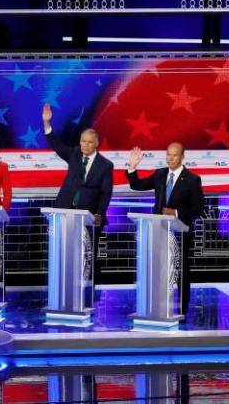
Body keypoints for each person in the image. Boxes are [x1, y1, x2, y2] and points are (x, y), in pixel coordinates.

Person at [126, 143, 204, 315]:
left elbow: (199, 209)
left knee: (181, 272)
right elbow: (137, 185)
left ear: (183, 157)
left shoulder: (192, 179)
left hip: (180, 234)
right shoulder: (160, 174)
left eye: (174, 155)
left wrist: (175, 212)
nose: (170, 158)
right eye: (168, 154)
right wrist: (132, 167)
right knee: (157, 271)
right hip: (159, 232)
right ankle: (156, 308)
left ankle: (182, 311)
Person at [43, 103, 113, 286]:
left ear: (96, 143)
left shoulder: (105, 165)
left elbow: (106, 193)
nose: (85, 145)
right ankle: (63, 286)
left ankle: (88, 291)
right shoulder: (74, 154)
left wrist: (99, 214)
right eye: (83, 141)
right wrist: (47, 123)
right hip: (65, 212)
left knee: (87, 255)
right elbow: (56, 144)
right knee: (63, 251)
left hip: (89, 217)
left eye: (89, 142)